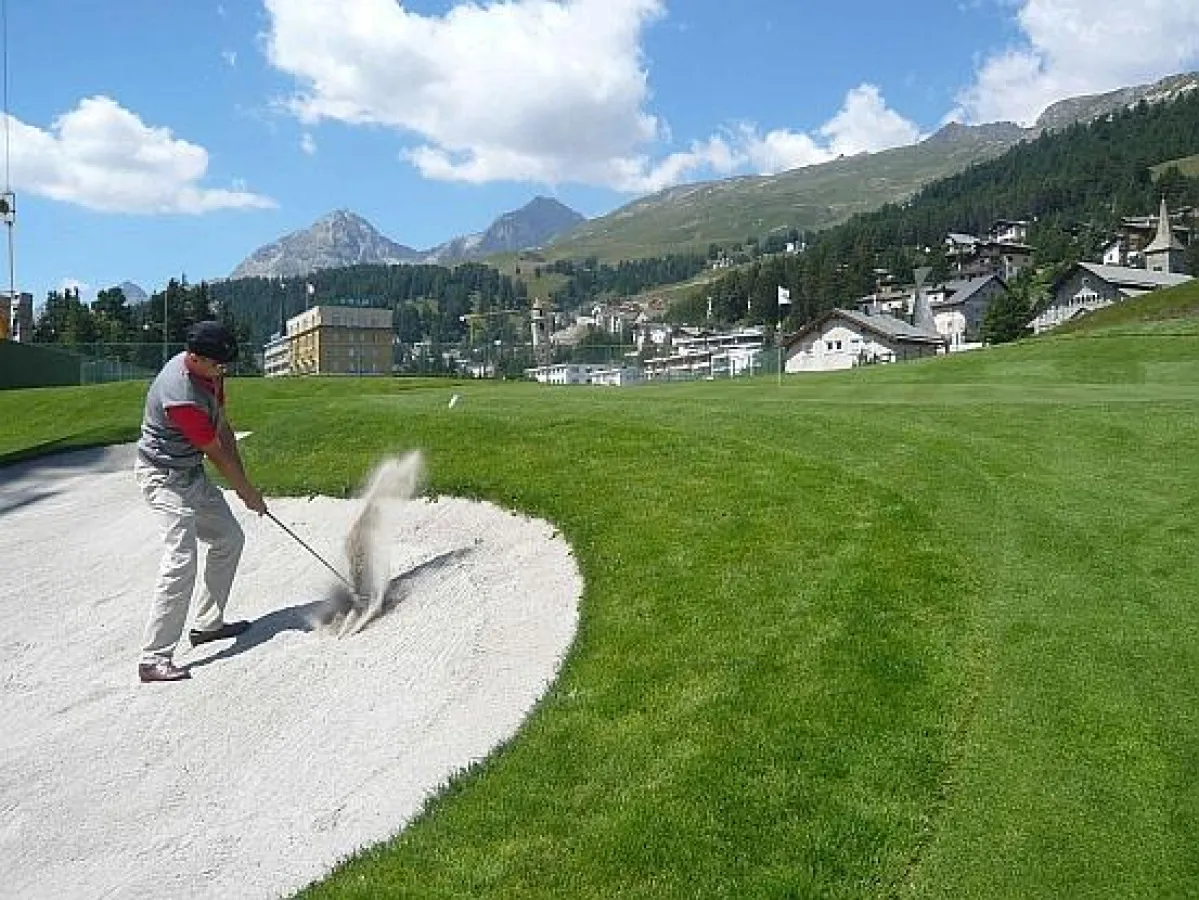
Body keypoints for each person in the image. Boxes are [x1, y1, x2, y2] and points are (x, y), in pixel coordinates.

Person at [133, 321, 267, 683]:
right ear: (194, 358)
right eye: (217, 364)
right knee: (181, 560)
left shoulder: (210, 374)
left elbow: (223, 429)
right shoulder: (180, 395)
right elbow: (215, 454)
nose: (222, 371)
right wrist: (245, 492)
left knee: (229, 538)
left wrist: (246, 485)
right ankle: (153, 658)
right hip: (162, 478)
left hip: (190, 474)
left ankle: (208, 625)